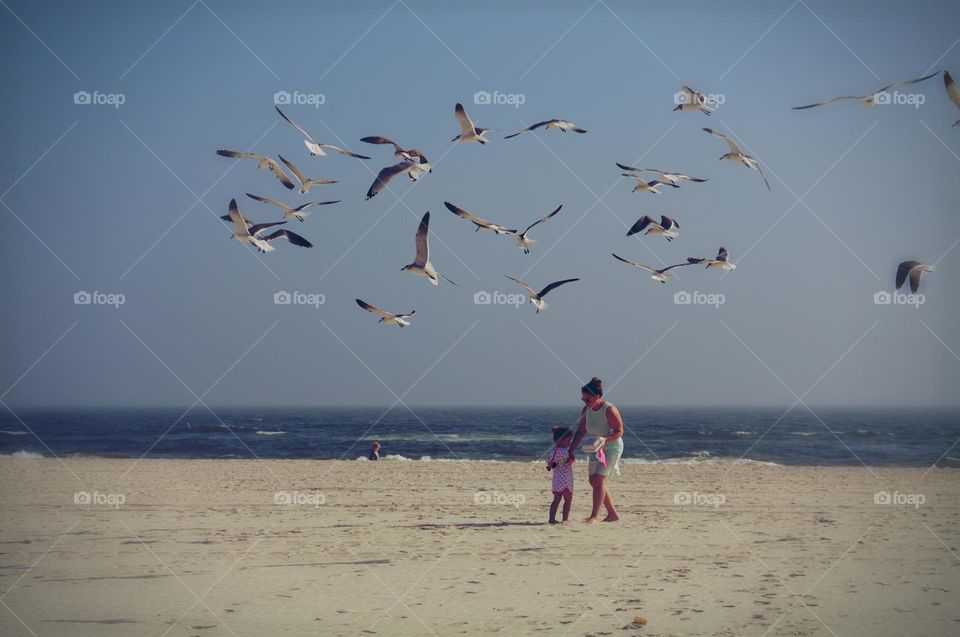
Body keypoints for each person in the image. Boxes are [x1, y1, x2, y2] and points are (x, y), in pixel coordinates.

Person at [567, 377, 624, 524]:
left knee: (599, 479)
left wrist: (605, 439)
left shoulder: (609, 409)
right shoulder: (586, 410)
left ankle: (594, 517)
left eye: (588, 399)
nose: (586, 403)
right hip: (596, 448)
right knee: (593, 481)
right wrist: (571, 450)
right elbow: (581, 430)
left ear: (597, 396)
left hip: (612, 447)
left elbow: (619, 431)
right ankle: (612, 514)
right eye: (583, 400)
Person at [546, 426, 575, 523]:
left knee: (556, 500)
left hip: (557, 479)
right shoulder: (563, 452)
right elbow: (564, 464)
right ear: (561, 440)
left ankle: (551, 519)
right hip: (565, 479)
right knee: (568, 499)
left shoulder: (552, 452)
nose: (570, 442)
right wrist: (572, 459)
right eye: (568, 440)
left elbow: (551, 465)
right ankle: (565, 519)